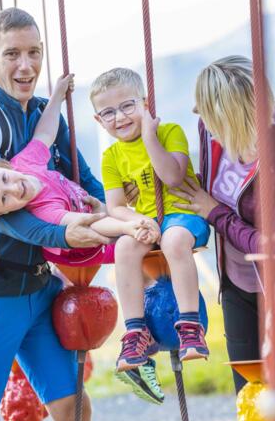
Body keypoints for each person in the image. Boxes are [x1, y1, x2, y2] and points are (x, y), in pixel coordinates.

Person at [0, 8, 108, 421]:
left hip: (38, 286)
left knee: (74, 407)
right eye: (12, 54)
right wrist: (63, 234)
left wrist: (118, 218)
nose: (26, 66)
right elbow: (3, 217)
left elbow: (83, 179)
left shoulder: (43, 114)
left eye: (34, 52)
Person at [169, 55, 275, 394]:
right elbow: (216, 188)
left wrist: (215, 213)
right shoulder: (210, 131)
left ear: (230, 115)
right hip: (238, 281)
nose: (198, 116)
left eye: (206, 112)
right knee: (250, 392)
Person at [0, 74, 153, 267]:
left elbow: (45, 133)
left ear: (5, 166)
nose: (14, 188)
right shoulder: (43, 210)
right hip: (84, 246)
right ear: (3, 213)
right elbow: (89, 224)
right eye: (4, 198)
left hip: (96, 216)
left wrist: (57, 96)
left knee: (145, 229)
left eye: (5, 178)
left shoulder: (24, 163)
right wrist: (127, 227)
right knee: (139, 245)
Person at [90, 67, 211, 371]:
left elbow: (172, 177)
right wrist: (137, 222)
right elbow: (116, 206)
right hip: (149, 221)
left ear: (145, 104)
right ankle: (135, 331)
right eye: (108, 112)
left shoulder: (168, 133)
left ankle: (190, 325)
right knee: (124, 247)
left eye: (127, 106)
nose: (119, 117)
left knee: (173, 240)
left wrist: (148, 137)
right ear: (99, 120)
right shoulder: (111, 157)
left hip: (184, 215)